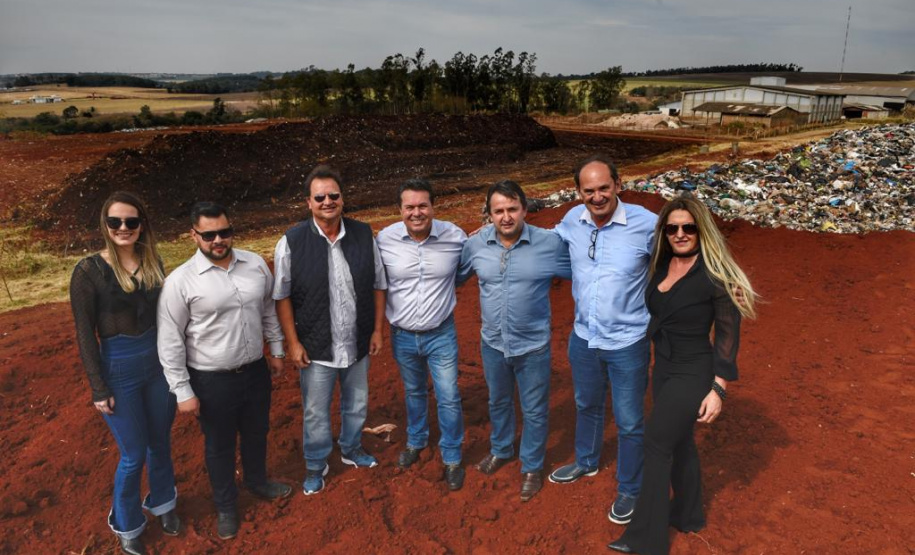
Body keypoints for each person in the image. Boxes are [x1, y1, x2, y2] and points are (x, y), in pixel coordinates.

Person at [608, 194, 757, 554]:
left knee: (656, 443)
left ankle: (646, 538)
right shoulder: (662, 265)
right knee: (681, 442)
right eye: (672, 227)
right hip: (665, 367)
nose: (680, 233)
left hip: (694, 371)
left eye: (688, 227)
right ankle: (689, 515)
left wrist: (718, 387)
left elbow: (726, 334)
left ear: (701, 230)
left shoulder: (715, 275)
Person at [157, 202, 292, 541]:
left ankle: (257, 481)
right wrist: (183, 390)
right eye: (209, 234)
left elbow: (267, 311)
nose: (218, 239)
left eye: (224, 232)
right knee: (219, 445)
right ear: (194, 235)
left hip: (253, 370)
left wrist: (276, 350)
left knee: (257, 431)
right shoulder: (180, 282)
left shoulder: (255, 264)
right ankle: (226, 506)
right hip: (211, 379)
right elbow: (170, 339)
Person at [70, 191, 178, 555]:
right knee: (133, 453)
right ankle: (128, 523)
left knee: (160, 442)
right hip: (119, 367)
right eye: (115, 221)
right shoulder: (88, 271)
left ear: (142, 224)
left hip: (158, 364)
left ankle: (164, 502)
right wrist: (98, 387)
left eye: (131, 221)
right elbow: (85, 333)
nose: (123, 228)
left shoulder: (153, 262)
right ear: (105, 224)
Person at [552, 154, 656, 525]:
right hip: (584, 338)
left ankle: (629, 487)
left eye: (603, 188)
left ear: (618, 185)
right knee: (587, 404)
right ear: (578, 192)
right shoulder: (571, 221)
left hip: (628, 341)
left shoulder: (647, 224)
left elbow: (681, 258)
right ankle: (586, 462)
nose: (597, 197)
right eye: (589, 190)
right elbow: (547, 248)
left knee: (628, 420)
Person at [273, 165, 387, 496]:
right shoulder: (292, 241)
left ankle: (351, 448)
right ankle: (315, 463)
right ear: (308, 202)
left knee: (356, 402)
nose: (327, 201)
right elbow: (282, 297)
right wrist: (292, 343)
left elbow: (379, 286)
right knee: (315, 410)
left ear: (342, 199)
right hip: (316, 344)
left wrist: (377, 330)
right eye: (320, 197)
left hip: (357, 339)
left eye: (333, 195)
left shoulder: (364, 235)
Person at [458, 180, 571, 501]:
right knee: (498, 401)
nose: (506, 217)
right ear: (489, 214)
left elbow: (584, 271)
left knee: (534, 409)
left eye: (512, 209)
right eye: (498, 211)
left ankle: (532, 466)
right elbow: (454, 275)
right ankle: (502, 449)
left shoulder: (548, 244)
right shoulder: (476, 244)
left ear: (524, 209)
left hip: (533, 345)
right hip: (493, 343)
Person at [376, 179, 468, 490]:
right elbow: (377, 283)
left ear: (433, 206)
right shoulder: (384, 239)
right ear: (399, 210)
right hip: (402, 334)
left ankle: (452, 455)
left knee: (449, 396)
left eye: (422, 205)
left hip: (440, 333)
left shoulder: (455, 236)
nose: (417, 212)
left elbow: (464, 271)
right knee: (414, 391)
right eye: (410, 207)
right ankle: (416, 441)